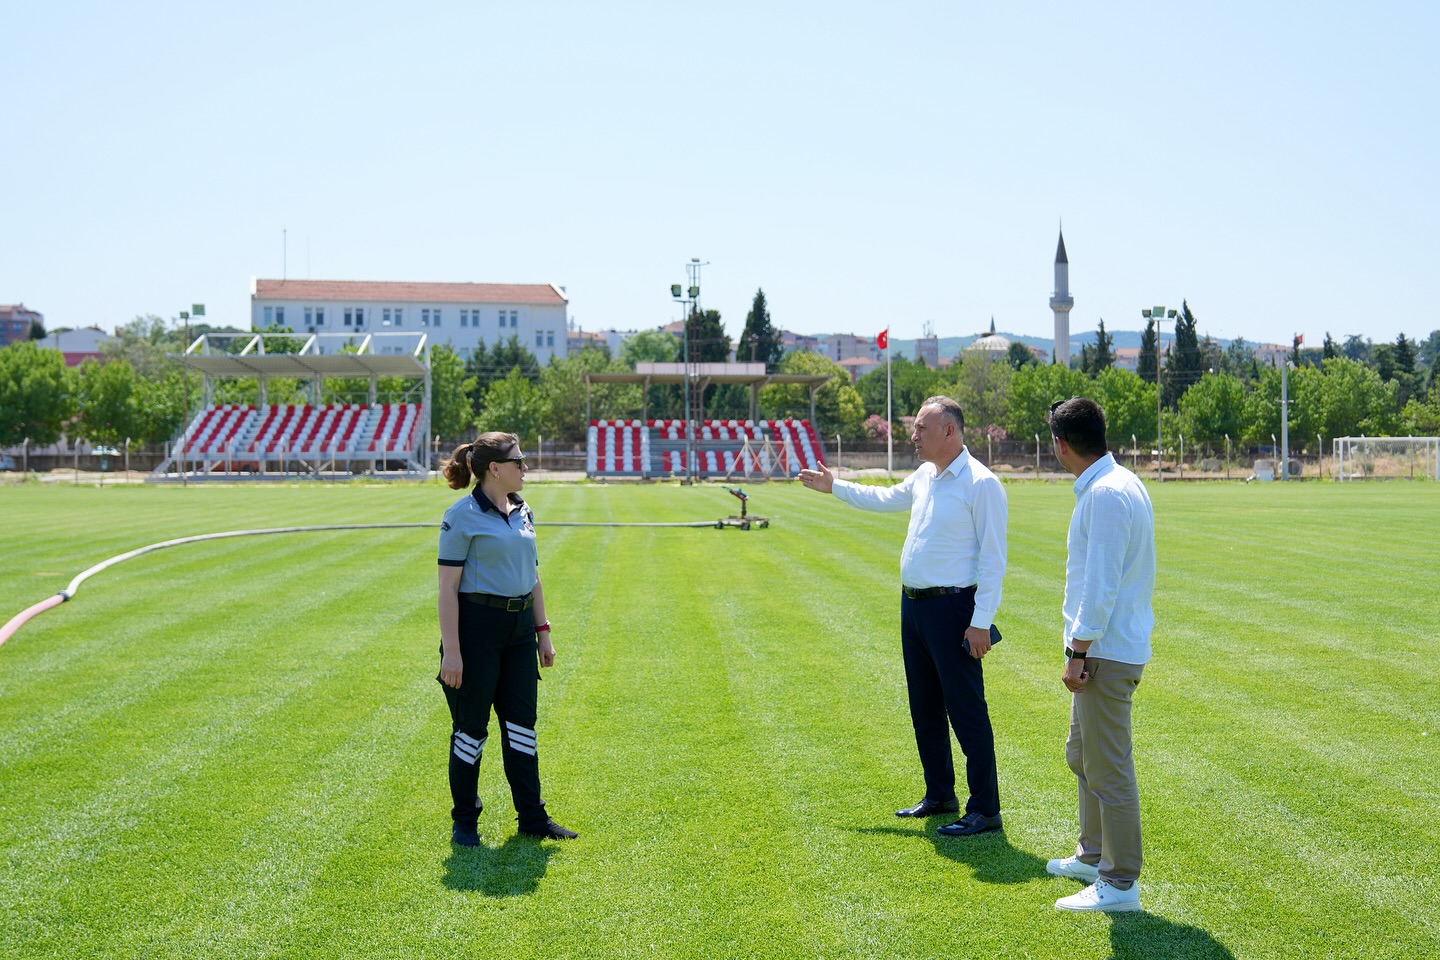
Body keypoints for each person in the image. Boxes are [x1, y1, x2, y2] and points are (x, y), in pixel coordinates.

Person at [799, 396, 1008, 837]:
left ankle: (985, 809)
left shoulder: (980, 483)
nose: (913, 436)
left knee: (966, 711)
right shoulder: (925, 476)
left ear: (949, 431)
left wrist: (980, 621)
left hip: (955, 610)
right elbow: (882, 497)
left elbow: (993, 560)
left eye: (921, 428)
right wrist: (834, 487)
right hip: (913, 607)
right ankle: (940, 795)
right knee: (925, 707)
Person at [436, 432, 577, 844]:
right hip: (475, 631)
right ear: (494, 469)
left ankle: (532, 817)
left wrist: (543, 632)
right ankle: (465, 822)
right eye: (519, 460)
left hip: (518, 634)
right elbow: (447, 589)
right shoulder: (460, 516)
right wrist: (454, 654)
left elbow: (531, 574)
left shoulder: (523, 509)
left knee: (522, 727)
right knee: (471, 731)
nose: (525, 466)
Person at [1044, 398, 1154, 912]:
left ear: (1060, 444)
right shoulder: (1113, 485)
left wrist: (1077, 650)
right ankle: (1092, 856)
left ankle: (1119, 883)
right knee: (1082, 755)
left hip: (1103, 653)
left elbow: (1101, 586)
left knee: (1109, 768)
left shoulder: (1107, 495)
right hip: (1101, 649)